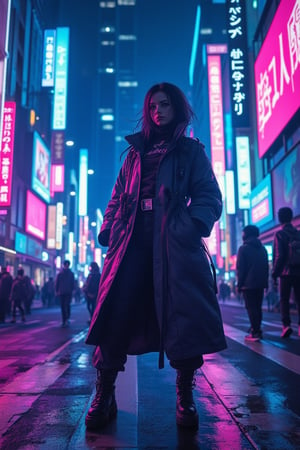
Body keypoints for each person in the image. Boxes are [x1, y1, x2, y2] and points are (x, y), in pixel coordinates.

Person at [85, 82, 227, 430]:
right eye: (151, 106)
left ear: (177, 108)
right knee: (115, 312)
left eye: (164, 105)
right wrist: (109, 229)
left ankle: (185, 395)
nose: (157, 112)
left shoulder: (190, 151)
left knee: (183, 317)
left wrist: (192, 225)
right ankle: (105, 393)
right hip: (130, 241)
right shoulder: (134, 153)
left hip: (174, 243)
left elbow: (209, 194)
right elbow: (118, 195)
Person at [236, 225, 269, 342]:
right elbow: (266, 268)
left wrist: (239, 285)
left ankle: (255, 332)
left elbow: (241, 269)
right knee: (258, 307)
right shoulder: (263, 249)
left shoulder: (243, 249)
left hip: (248, 284)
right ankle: (257, 329)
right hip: (260, 283)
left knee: (251, 308)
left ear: (246, 234)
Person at [272, 207, 300, 338]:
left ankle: (286, 325)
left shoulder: (280, 234)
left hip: (285, 273)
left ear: (279, 218)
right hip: (298, 272)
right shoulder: (298, 233)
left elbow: (279, 256)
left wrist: (275, 273)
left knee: (284, 299)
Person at [55, 260, 75, 327]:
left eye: (67, 265)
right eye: (65, 265)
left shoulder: (70, 274)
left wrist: (73, 290)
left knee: (67, 305)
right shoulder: (60, 273)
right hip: (62, 292)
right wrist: (56, 290)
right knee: (63, 306)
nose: (66, 266)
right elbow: (57, 283)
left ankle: (66, 319)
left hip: (68, 292)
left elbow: (73, 283)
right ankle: (64, 320)